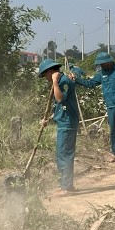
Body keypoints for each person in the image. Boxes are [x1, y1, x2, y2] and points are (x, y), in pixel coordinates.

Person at [72, 52, 115, 163]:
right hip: (111, 105)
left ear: (109, 62)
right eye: (100, 64)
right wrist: (76, 79)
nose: (101, 66)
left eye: (103, 64)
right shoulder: (101, 74)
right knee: (113, 130)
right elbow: (90, 83)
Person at [38, 59, 80, 194]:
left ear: (51, 72)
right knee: (62, 155)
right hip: (63, 122)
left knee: (65, 155)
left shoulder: (64, 82)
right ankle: (65, 185)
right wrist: (48, 119)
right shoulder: (60, 82)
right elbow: (60, 108)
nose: (46, 79)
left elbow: (60, 99)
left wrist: (55, 82)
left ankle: (66, 187)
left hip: (67, 124)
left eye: (45, 76)